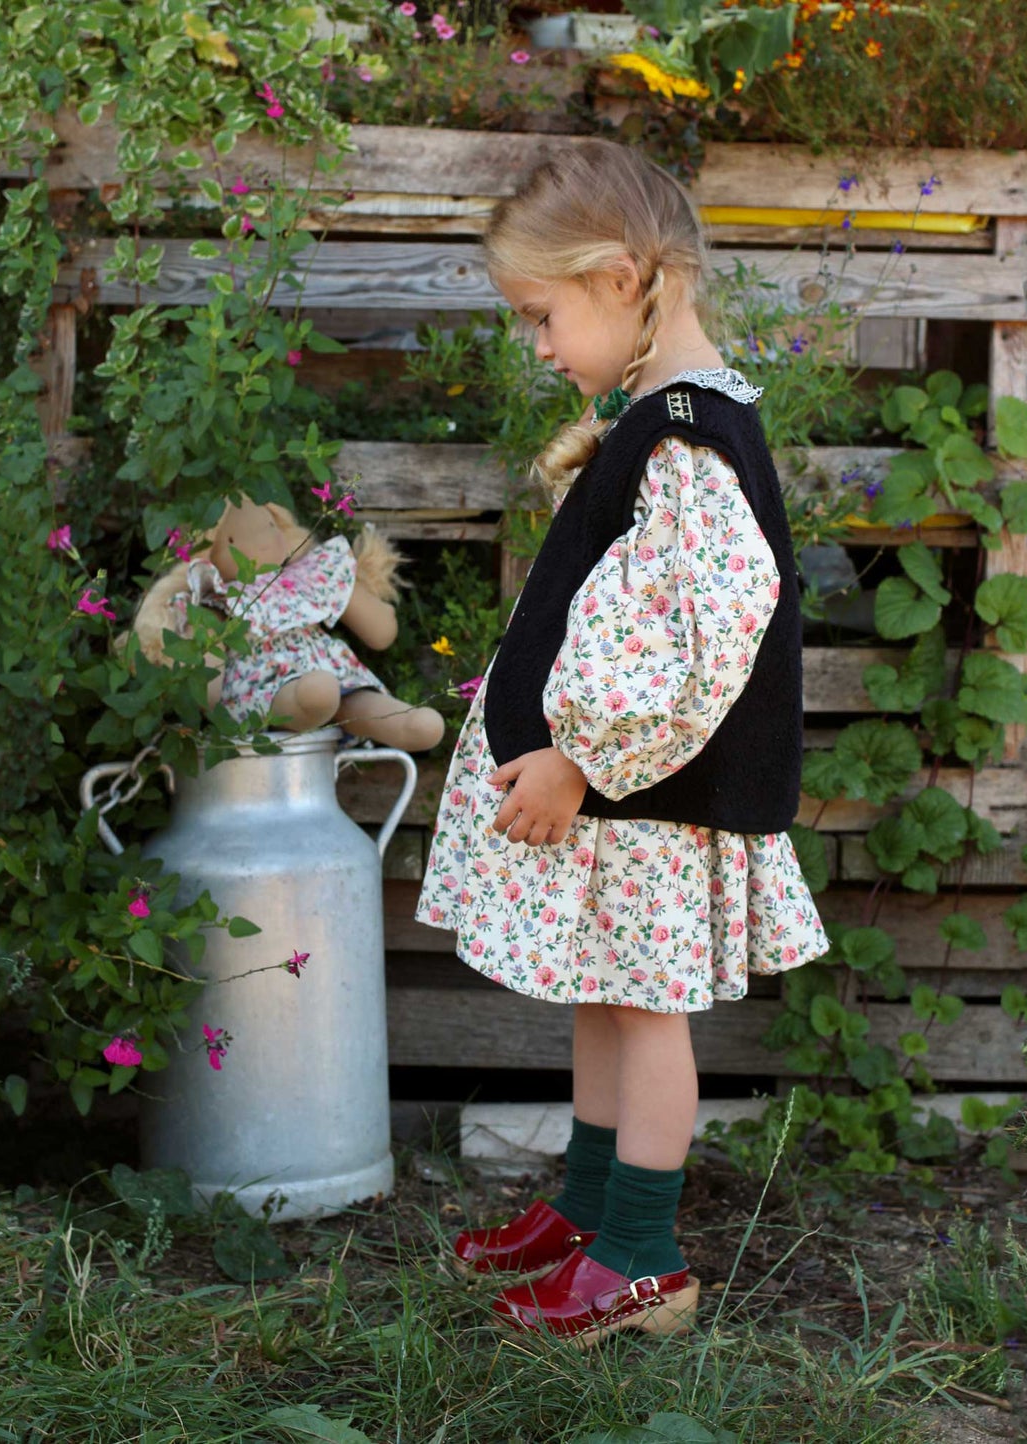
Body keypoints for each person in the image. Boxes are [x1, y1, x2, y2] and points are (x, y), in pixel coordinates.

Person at [415, 138, 830, 1345]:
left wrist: (583, 756)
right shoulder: (656, 420)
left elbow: (698, 634)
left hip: (646, 792)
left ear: (617, 278)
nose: (539, 347)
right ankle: (591, 1213)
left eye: (540, 317)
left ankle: (641, 1257)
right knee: (605, 992)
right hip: (619, 797)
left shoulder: (687, 435)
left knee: (643, 1011)